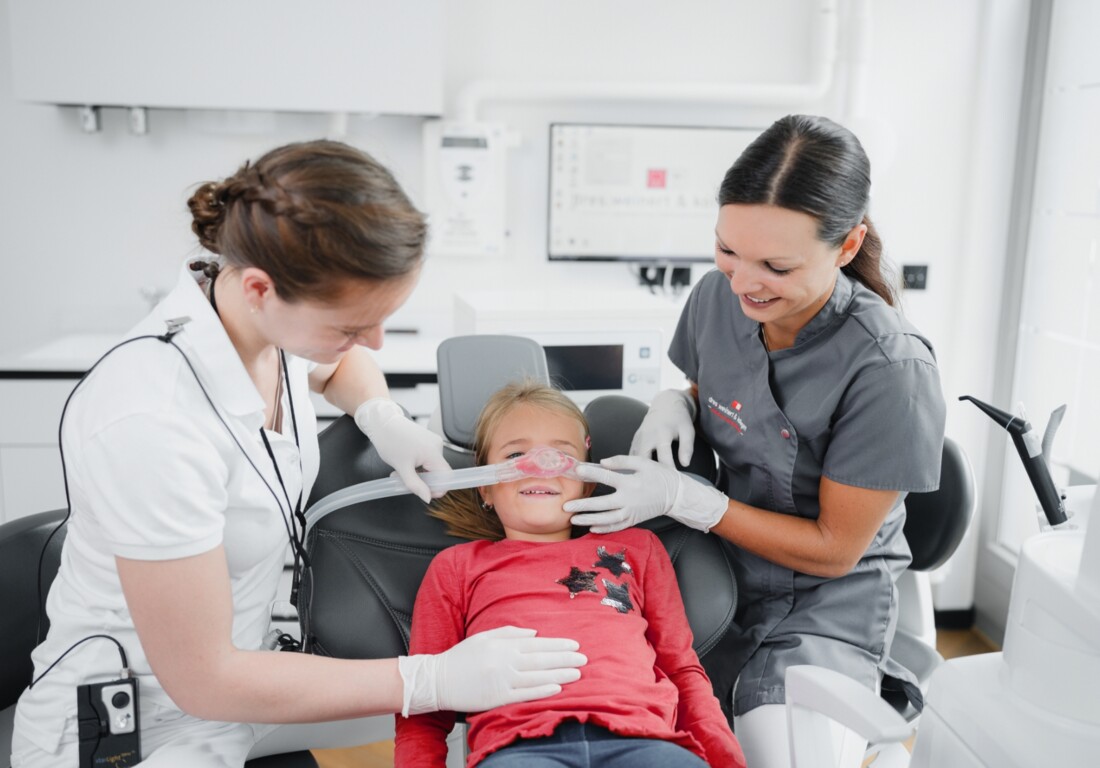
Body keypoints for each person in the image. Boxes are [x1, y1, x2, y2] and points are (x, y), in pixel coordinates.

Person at [11, 140, 586, 767]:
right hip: (139, 728)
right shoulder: (151, 419)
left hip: (250, 689)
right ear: (261, 287)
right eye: (350, 324)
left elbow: (343, 365)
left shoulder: (256, 327)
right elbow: (206, 680)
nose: (373, 340)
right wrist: (431, 678)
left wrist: (381, 415)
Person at [564, 114, 947, 768]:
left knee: (777, 753)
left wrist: (697, 504)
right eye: (727, 250)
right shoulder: (718, 298)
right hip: (711, 576)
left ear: (848, 246)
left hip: (827, 605)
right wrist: (673, 402)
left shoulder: (890, 369)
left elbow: (833, 552)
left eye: (775, 264)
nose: (743, 282)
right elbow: (715, 386)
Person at [395, 382, 745, 768]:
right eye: (516, 454)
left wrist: (725, 760)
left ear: (587, 477)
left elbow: (682, 669)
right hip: (520, 748)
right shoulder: (457, 567)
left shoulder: (638, 549)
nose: (540, 466)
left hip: (645, 741)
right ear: (486, 487)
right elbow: (424, 696)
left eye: (561, 455)